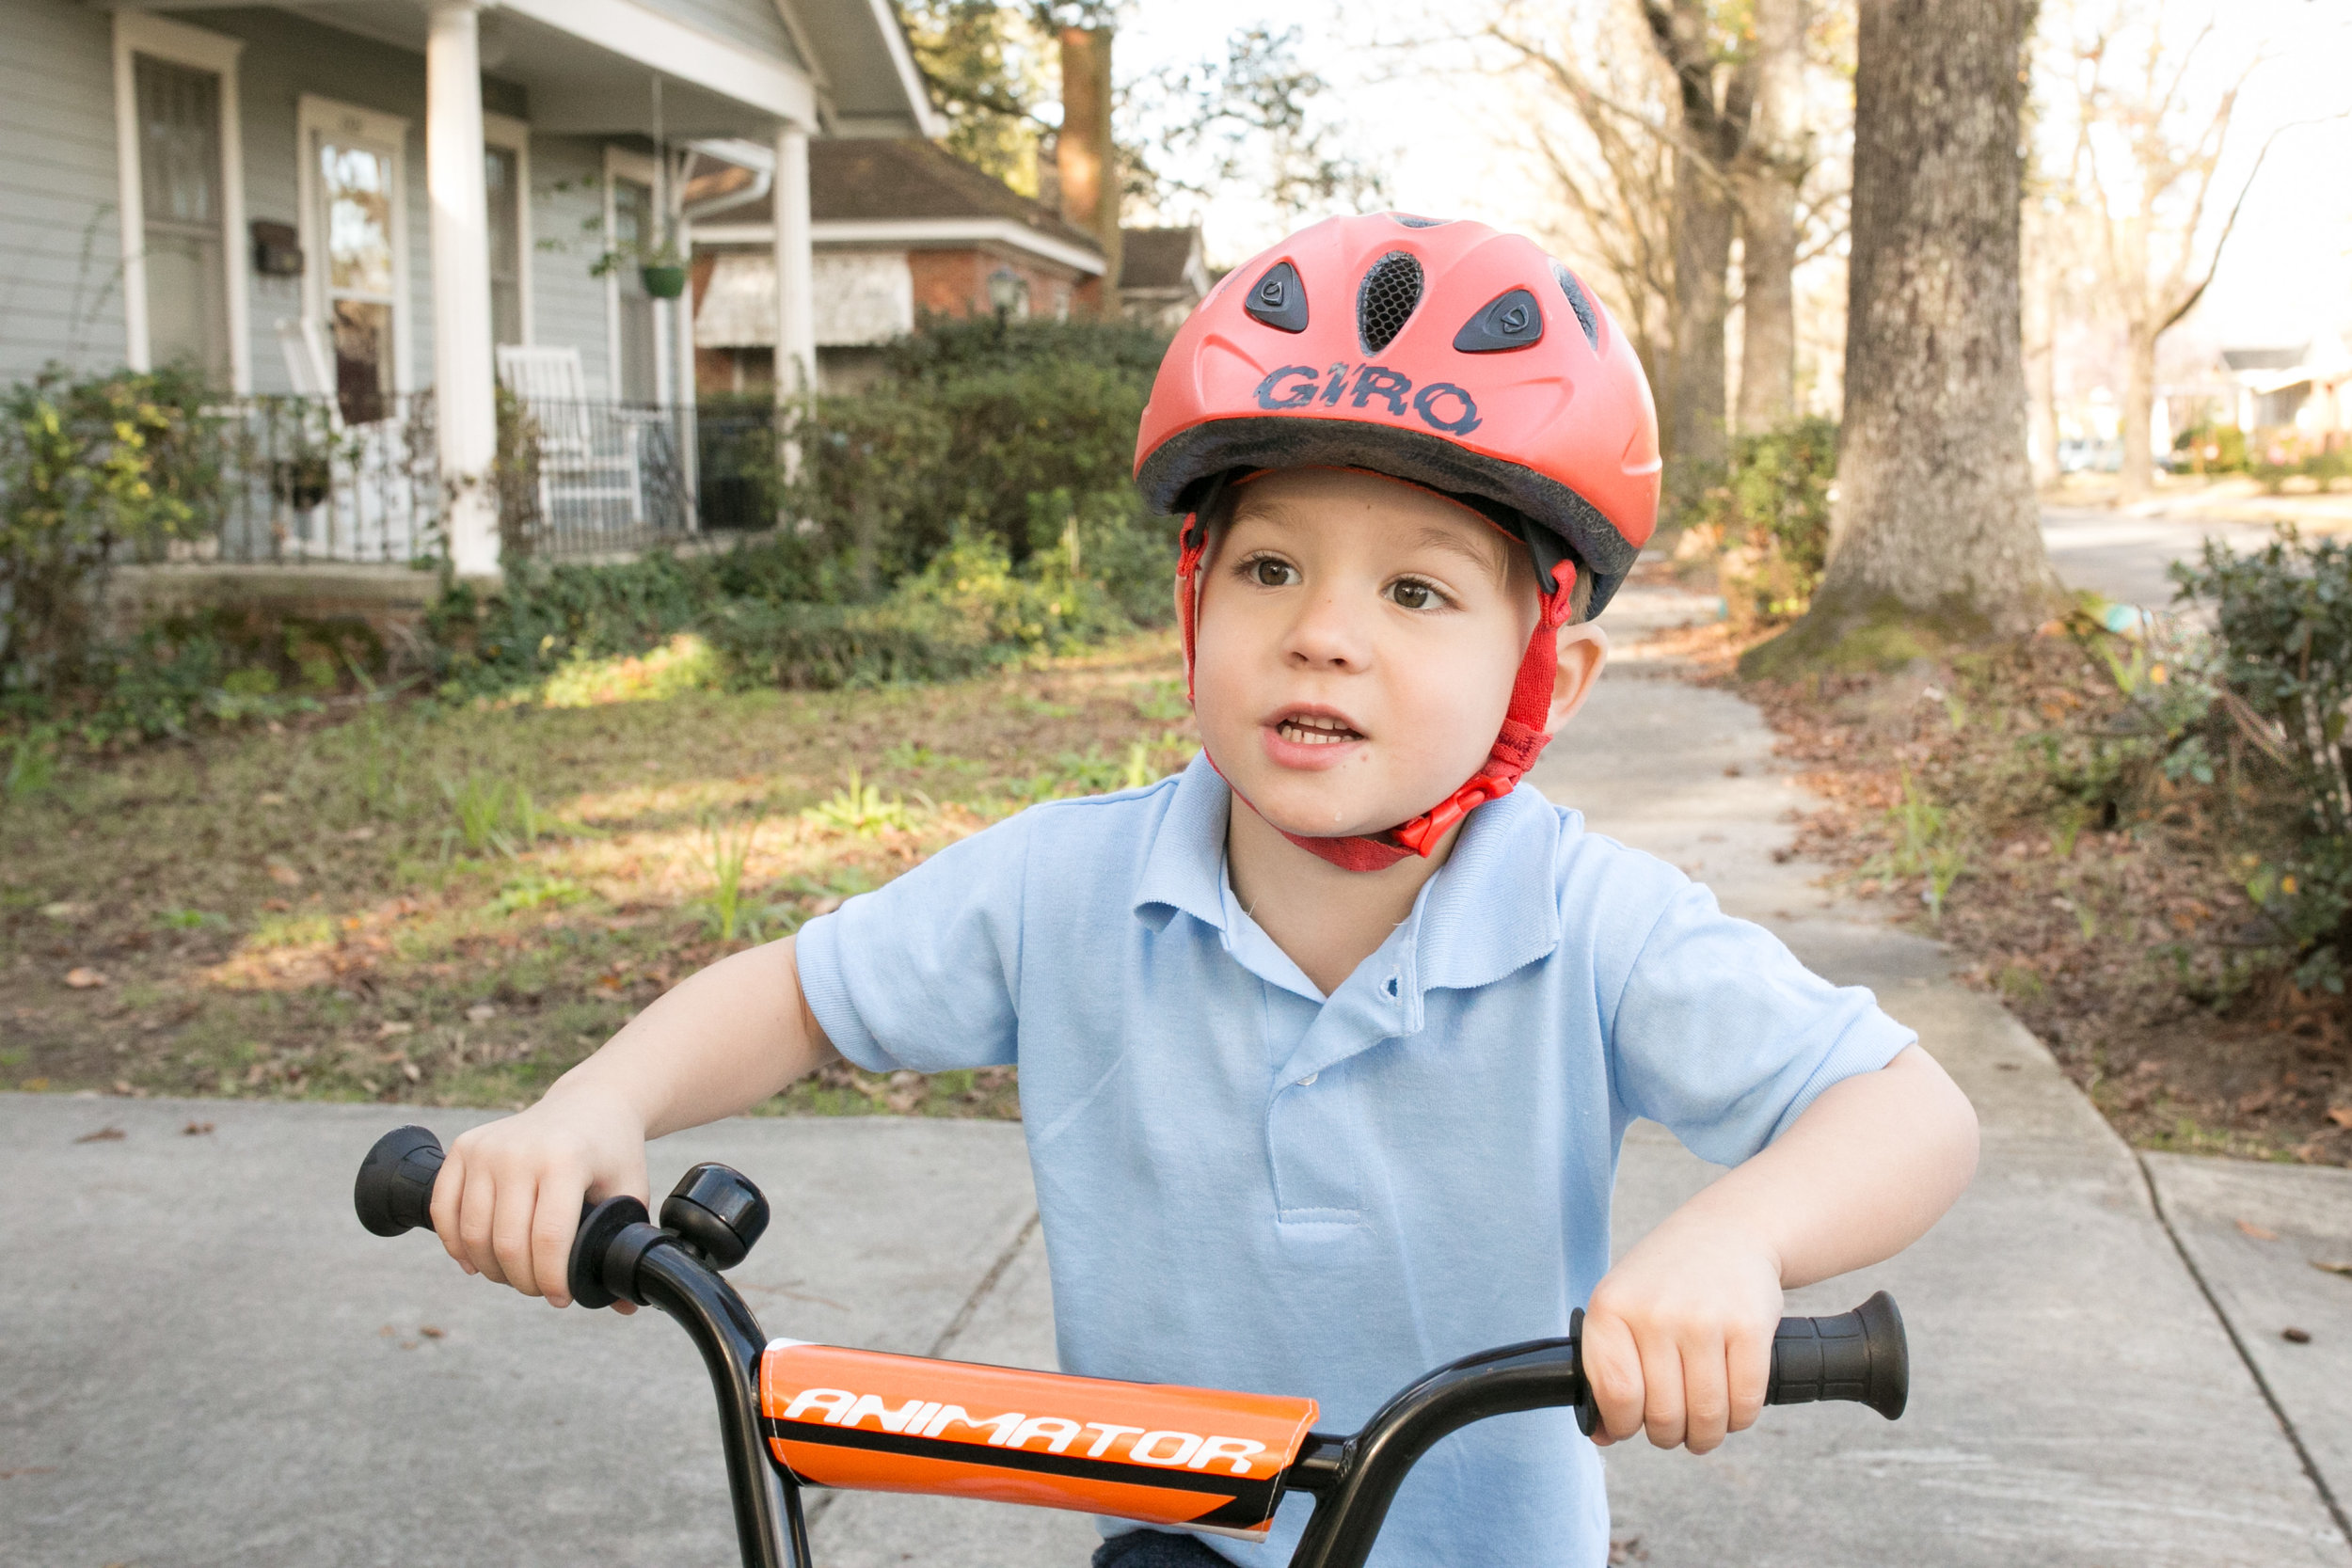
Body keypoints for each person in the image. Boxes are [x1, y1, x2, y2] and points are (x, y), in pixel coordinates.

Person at [426, 214, 1979, 1568]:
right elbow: (796, 994)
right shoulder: (1063, 883)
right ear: (1194, 601)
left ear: (1549, 674)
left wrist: (1737, 1243)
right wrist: (595, 1107)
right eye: (1269, 569)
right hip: (1179, 1548)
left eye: (1417, 590)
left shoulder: (1596, 928)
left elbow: (1911, 1116)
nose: (1323, 634)